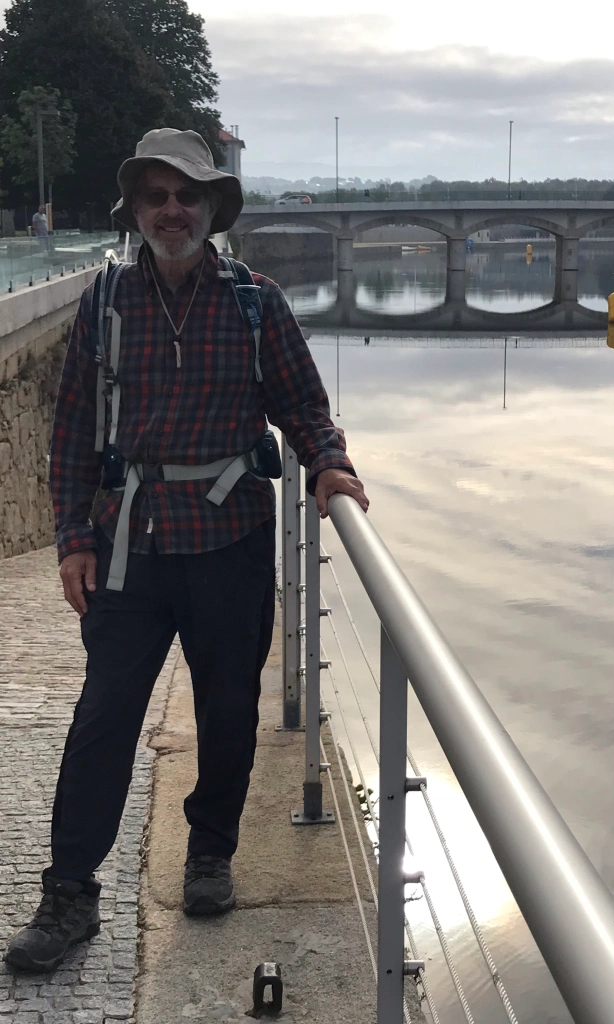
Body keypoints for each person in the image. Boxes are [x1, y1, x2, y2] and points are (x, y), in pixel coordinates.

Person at [4, 128, 369, 973]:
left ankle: (210, 854)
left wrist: (329, 463)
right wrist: (71, 539)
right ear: (134, 212)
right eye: (156, 197)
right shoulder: (104, 304)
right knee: (102, 722)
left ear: (212, 209)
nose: (173, 211)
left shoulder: (255, 303)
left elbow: (303, 405)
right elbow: (70, 436)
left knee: (228, 713)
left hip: (231, 543)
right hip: (129, 547)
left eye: (188, 196)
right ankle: (69, 896)